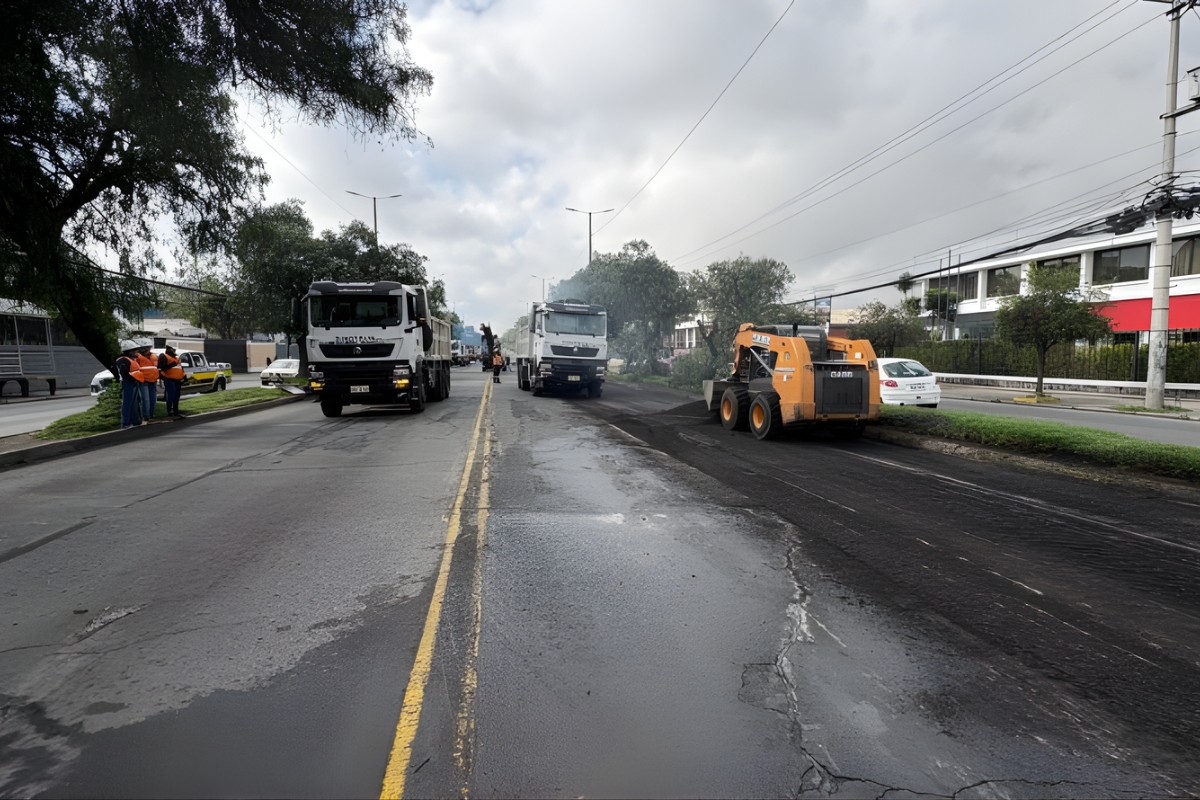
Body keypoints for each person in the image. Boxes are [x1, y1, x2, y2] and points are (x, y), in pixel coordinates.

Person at [114, 340, 144, 429]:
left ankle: (135, 420)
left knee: (134, 402)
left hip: (134, 382)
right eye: (134, 350)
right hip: (128, 382)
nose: (136, 352)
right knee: (127, 402)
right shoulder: (123, 360)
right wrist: (132, 379)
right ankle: (126, 422)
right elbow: (124, 373)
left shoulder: (131, 359)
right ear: (129, 351)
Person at [159, 344, 185, 417]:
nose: (174, 351)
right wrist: (171, 365)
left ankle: (176, 410)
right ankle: (169, 410)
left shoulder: (176, 358)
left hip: (177, 380)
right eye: (172, 349)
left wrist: (184, 376)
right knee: (171, 395)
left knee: (176, 396)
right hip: (169, 379)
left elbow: (180, 368)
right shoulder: (163, 356)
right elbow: (161, 367)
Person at [135, 343, 159, 420]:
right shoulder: (137, 357)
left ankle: (151, 414)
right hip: (143, 380)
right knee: (145, 399)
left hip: (153, 379)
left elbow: (156, 367)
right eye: (146, 347)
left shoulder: (154, 356)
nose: (148, 349)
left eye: (149, 347)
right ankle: (146, 415)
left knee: (152, 398)